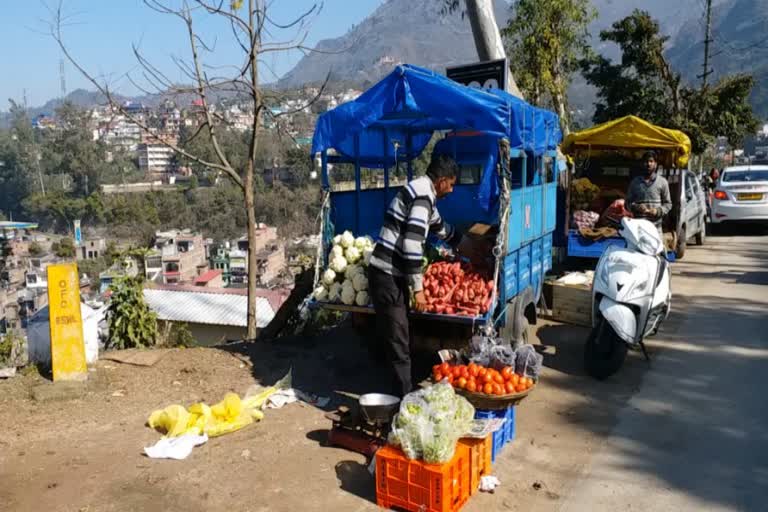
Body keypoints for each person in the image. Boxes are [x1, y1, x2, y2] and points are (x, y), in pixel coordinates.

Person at [368, 154, 465, 397]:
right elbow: (412, 244)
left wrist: (467, 243)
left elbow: (440, 226)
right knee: (399, 342)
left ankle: (400, 393)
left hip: (392, 274)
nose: (451, 190)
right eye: (451, 184)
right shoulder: (422, 196)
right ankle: (403, 404)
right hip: (387, 275)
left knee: (400, 336)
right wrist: (418, 289)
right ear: (441, 181)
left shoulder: (423, 194)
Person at [625, 150, 672, 233]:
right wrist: (636, 207)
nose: (648, 164)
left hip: (656, 230)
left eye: (651, 161)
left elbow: (668, 204)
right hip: (639, 230)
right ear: (642, 164)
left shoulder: (662, 182)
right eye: (646, 161)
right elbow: (627, 203)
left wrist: (657, 211)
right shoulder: (635, 182)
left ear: (656, 164)